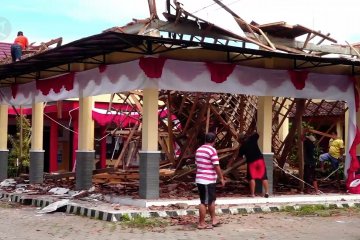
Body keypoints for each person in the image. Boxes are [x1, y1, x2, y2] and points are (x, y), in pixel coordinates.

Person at [195, 132, 225, 229]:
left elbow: (197, 164)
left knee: (211, 200)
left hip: (200, 179)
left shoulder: (199, 150)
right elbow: (216, 165)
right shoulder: (212, 150)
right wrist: (221, 178)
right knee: (204, 202)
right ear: (214, 141)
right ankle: (201, 223)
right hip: (207, 180)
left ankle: (214, 219)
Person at [229, 130, 269, 198]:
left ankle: (253, 194)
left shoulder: (242, 147)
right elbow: (257, 133)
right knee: (264, 177)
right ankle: (267, 192)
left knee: (252, 178)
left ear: (240, 140)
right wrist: (249, 135)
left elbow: (240, 158)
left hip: (251, 162)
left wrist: (233, 163)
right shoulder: (252, 139)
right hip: (260, 160)